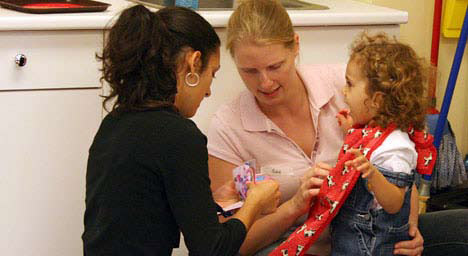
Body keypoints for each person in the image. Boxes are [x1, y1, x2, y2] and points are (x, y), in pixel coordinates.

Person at [207, 0, 467, 256]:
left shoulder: (350, 86)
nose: (265, 82)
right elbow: (227, 245)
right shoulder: (228, 127)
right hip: (291, 246)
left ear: (296, 46)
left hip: (373, 234)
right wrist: (294, 206)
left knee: (461, 227)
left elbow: (397, 155)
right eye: (249, 71)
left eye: (275, 66)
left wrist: (407, 229)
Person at [82, 5, 281, 256]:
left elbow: (140, 216)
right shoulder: (180, 136)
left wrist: (210, 204)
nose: (209, 91)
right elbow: (212, 250)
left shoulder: (115, 122)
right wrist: (253, 205)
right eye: (212, 73)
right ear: (193, 62)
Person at [328, 33, 435, 255]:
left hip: (371, 247)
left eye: (349, 84)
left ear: (376, 100)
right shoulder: (376, 133)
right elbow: (369, 144)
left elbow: (395, 202)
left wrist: (372, 174)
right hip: (352, 241)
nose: (343, 91)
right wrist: (350, 130)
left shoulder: (396, 147)